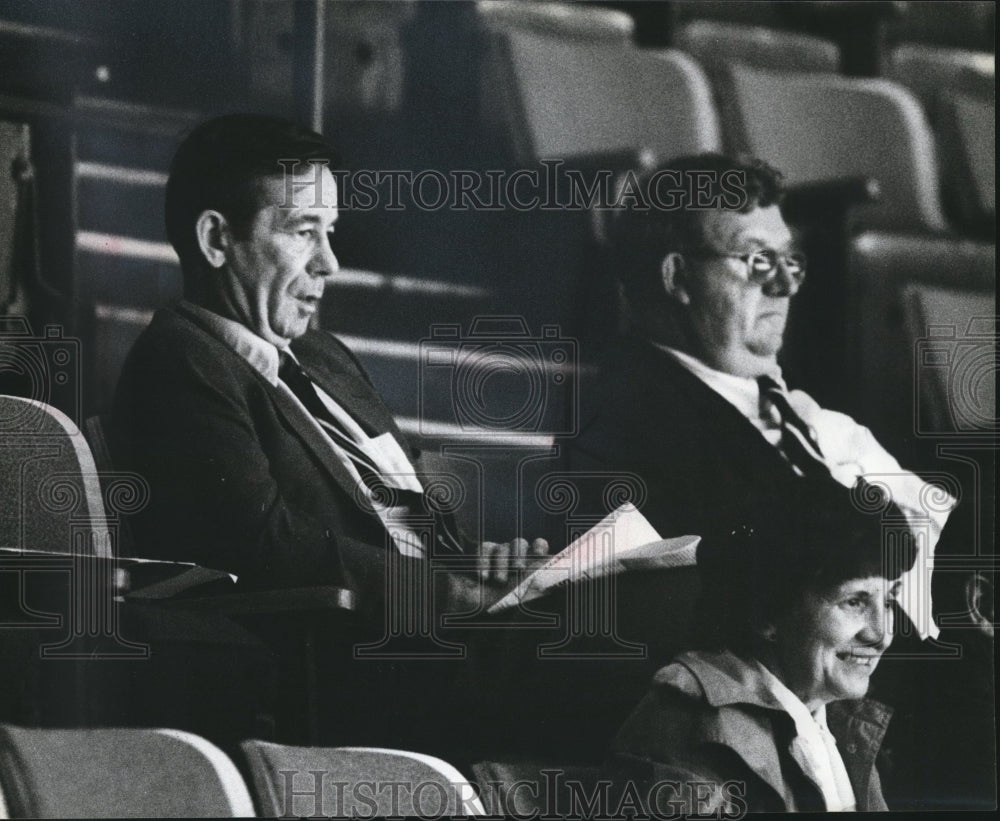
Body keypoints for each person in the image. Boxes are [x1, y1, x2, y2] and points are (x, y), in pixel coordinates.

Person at [111, 114, 545, 610]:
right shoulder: (181, 362)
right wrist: (464, 598)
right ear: (216, 240)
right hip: (365, 651)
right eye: (303, 232)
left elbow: (408, 525)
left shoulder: (324, 355)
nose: (329, 263)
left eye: (330, 231)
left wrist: (482, 562)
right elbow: (268, 549)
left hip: (446, 622)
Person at [569, 153, 953, 641]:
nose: (785, 284)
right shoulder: (625, 422)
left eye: (788, 259)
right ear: (677, 277)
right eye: (756, 259)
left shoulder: (803, 414)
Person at [605, 493, 918, 813]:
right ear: (768, 614)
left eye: (889, 602)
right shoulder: (689, 722)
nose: (881, 635)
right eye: (854, 602)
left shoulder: (835, 716)